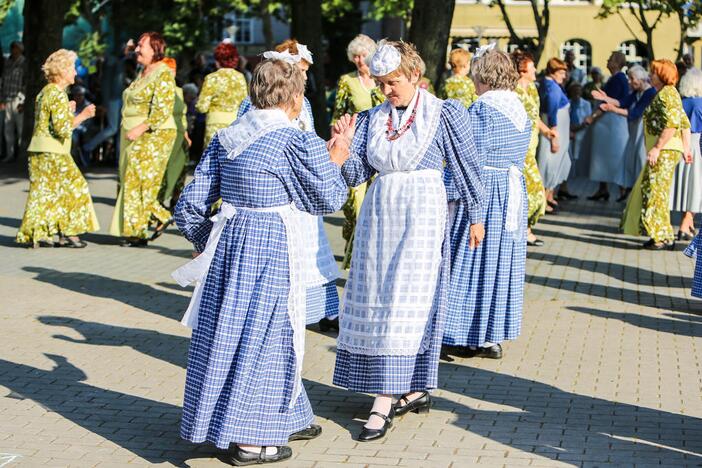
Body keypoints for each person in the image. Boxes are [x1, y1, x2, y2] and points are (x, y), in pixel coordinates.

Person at [173, 58, 352, 466]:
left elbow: (188, 207)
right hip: (271, 244)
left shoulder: (227, 135)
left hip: (231, 243)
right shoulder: (293, 139)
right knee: (269, 336)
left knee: (228, 334)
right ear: (292, 96)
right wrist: (337, 154)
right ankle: (253, 442)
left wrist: (211, 244)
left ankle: (284, 416)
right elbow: (327, 197)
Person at [332, 40, 484, 442]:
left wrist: (477, 215)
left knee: (408, 303)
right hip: (379, 217)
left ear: (415, 75)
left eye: (393, 82)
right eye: (381, 83)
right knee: (377, 300)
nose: (386, 91)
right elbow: (353, 176)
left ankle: (383, 400)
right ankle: (411, 388)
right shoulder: (371, 119)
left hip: (422, 215)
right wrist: (342, 146)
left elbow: (468, 166)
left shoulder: (443, 113)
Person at [239, 43, 342, 332]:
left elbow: (307, 137)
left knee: (312, 248)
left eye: (306, 72)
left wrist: (325, 150)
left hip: (303, 187)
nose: (305, 77)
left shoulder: (304, 104)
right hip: (275, 191)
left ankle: (323, 309)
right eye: (301, 71)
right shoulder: (254, 105)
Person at [442, 48, 531, 361]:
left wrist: (446, 190)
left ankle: (459, 333)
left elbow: (468, 160)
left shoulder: (483, 110)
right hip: (511, 192)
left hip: (484, 190)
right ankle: (490, 335)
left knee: (468, 259)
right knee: (498, 263)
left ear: (483, 76)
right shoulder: (520, 110)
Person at [16, 49, 98, 248]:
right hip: (54, 151)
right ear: (62, 71)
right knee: (76, 187)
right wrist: (83, 115)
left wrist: (67, 110)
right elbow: (62, 129)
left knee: (45, 192)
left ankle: (38, 234)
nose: (75, 73)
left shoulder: (46, 91)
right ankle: (70, 233)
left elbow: (49, 121)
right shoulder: (58, 94)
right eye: (71, 68)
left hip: (39, 148)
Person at [109, 32, 177, 247]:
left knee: (140, 183)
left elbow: (163, 109)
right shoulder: (143, 71)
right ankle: (139, 228)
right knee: (131, 182)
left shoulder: (163, 73)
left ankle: (150, 223)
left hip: (152, 135)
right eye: (137, 45)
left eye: (141, 45)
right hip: (131, 133)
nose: (137, 49)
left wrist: (141, 128)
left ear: (155, 49)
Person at [621, 59, 692, 250]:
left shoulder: (666, 95)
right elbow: (684, 123)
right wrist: (686, 148)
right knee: (656, 190)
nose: (650, 76)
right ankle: (663, 233)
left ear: (662, 75)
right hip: (670, 149)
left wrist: (657, 147)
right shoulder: (670, 94)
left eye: (653, 73)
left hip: (665, 150)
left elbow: (671, 124)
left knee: (655, 191)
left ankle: (660, 236)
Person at [332, 34, 385, 272]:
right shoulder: (346, 80)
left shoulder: (383, 80)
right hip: (354, 147)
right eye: (355, 56)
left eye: (363, 55)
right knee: (355, 204)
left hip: (381, 148)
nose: (359, 60)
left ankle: (369, 257)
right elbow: (338, 113)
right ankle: (354, 256)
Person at [593, 65, 657, 200]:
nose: (628, 81)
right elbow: (623, 102)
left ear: (640, 80)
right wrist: (607, 99)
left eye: (631, 78)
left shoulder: (649, 93)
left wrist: (612, 109)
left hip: (643, 132)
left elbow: (634, 113)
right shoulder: (637, 92)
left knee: (640, 160)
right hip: (635, 131)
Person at [513, 50, 548, 246]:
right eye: (531, 65)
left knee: (529, 190)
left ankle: (526, 230)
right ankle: (523, 229)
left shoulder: (532, 88)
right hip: (520, 147)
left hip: (532, 145)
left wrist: (547, 132)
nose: (535, 68)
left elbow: (535, 116)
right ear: (522, 69)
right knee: (534, 190)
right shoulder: (514, 91)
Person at [586, 51, 631, 201]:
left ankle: (621, 188)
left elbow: (607, 103)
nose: (607, 60)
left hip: (611, 121)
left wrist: (592, 117)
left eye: (610, 58)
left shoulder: (618, 79)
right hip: (609, 123)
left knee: (614, 155)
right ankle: (604, 188)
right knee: (604, 156)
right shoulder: (617, 78)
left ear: (617, 62)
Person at [196, 42, 248, 148]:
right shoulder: (240, 78)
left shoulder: (212, 78)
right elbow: (244, 104)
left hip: (214, 125)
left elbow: (202, 107)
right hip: (235, 125)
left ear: (217, 60)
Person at [670, 67, 702, 239]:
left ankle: (687, 224)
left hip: (681, 145)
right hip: (697, 144)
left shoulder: (681, 103)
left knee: (687, 186)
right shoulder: (700, 103)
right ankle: (685, 224)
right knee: (697, 187)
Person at [537, 57, 571, 210]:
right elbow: (552, 114)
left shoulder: (548, 84)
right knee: (551, 163)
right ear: (553, 72)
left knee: (552, 162)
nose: (564, 76)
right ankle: (543, 201)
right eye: (561, 72)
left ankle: (548, 196)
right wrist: (554, 138)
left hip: (557, 127)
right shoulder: (553, 89)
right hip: (555, 129)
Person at [158, 58, 191, 212]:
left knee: (181, 167)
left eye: (174, 70)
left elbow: (183, 115)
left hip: (179, 132)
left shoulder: (179, 90)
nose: (172, 73)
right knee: (166, 169)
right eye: (169, 70)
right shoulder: (159, 89)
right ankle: (159, 199)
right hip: (165, 133)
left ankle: (176, 198)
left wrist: (185, 134)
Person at [0, 41, 25, 163]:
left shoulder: (24, 63)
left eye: (15, 48)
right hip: (7, 99)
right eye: (12, 48)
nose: (13, 50)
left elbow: (25, 83)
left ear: (20, 49)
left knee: (20, 129)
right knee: (7, 129)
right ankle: (9, 155)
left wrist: (23, 101)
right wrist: (2, 99)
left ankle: (20, 154)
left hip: (18, 99)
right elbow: (3, 81)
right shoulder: (7, 62)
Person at [568, 83, 592, 179]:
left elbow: (588, 120)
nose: (576, 93)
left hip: (582, 131)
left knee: (580, 154)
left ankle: (580, 174)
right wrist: (571, 129)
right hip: (569, 131)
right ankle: (571, 173)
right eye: (574, 91)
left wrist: (577, 129)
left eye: (578, 91)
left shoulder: (586, 104)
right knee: (571, 154)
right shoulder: (567, 103)